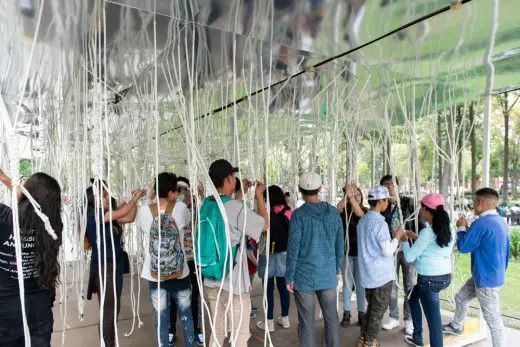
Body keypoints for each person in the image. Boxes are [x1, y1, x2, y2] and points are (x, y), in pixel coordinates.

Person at [202, 159, 268, 347]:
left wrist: (241, 194)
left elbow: (229, 212)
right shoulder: (235, 208)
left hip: (210, 277)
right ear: (229, 178)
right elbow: (264, 225)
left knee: (217, 329)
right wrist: (259, 197)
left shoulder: (207, 204)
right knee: (239, 332)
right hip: (233, 282)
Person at [0, 170, 62, 346]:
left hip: (6, 313)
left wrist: (7, 180)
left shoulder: (5, 219)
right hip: (39, 310)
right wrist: (5, 179)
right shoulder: (54, 227)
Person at [443, 188, 510, 347]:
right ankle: (456, 326)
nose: (472, 206)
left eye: (474, 202)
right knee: (461, 297)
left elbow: (464, 247)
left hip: (486, 280)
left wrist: (461, 227)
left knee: (493, 321)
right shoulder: (500, 221)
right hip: (488, 274)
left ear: (480, 203)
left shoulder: (481, 223)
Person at [285, 172, 344, 347]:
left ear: (300, 190)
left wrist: (289, 276)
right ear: (320, 189)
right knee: (332, 318)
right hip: (327, 274)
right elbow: (340, 245)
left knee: (307, 322)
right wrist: (336, 269)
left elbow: (293, 248)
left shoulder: (298, 215)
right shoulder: (333, 213)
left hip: (304, 276)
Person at [136, 172, 194, 347]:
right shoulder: (181, 208)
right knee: (186, 315)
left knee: (161, 318)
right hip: (180, 272)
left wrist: (149, 198)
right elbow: (189, 222)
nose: (178, 193)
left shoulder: (144, 211)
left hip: (155, 274)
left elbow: (140, 226)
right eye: (176, 190)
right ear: (170, 193)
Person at [84, 179, 143, 347]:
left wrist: (133, 202)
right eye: (104, 195)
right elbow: (123, 211)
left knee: (114, 307)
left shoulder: (108, 214)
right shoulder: (95, 215)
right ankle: (106, 343)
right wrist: (134, 200)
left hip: (115, 265)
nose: (108, 197)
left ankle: (110, 341)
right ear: (93, 199)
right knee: (108, 310)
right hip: (104, 267)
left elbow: (130, 216)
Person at [402, 194, 455, 347]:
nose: (420, 212)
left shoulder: (428, 232)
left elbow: (410, 257)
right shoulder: (448, 227)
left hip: (429, 280)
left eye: (422, 209)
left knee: (434, 323)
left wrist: (404, 240)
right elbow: (434, 245)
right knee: (412, 298)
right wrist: (416, 237)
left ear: (428, 210)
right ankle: (417, 336)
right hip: (444, 277)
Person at [357, 185, 407, 347]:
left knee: (371, 308)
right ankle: (370, 342)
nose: (387, 204)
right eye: (386, 201)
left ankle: (363, 337)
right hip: (381, 275)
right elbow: (387, 251)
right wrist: (397, 237)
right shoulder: (380, 223)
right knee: (377, 311)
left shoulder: (363, 220)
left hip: (367, 273)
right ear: (380, 202)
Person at [380, 175, 423, 336]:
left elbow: (418, 222)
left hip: (408, 248)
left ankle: (409, 319)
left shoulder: (408, 202)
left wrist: (418, 243)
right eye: (386, 185)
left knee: (410, 284)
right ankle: (393, 317)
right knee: (391, 283)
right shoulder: (382, 205)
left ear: (398, 185)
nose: (390, 187)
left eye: (392, 184)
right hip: (390, 248)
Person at [169, 177, 204, 346]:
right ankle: (171, 330)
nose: (180, 193)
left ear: (189, 190)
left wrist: (200, 195)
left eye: (182, 189)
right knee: (173, 295)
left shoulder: (197, 207)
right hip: (175, 258)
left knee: (195, 294)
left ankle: (197, 329)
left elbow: (204, 222)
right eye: (177, 190)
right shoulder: (170, 208)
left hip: (193, 257)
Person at [256, 185, 292, 332]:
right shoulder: (289, 211)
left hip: (268, 253)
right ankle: (285, 319)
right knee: (284, 288)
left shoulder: (266, 212)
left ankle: (269, 322)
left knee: (268, 289)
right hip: (284, 252)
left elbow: (261, 227)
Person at [337, 183, 367, 327]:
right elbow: (337, 208)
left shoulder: (365, 212)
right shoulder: (343, 213)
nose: (355, 197)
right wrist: (347, 196)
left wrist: (352, 197)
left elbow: (359, 214)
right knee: (347, 285)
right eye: (353, 196)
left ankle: (362, 313)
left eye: (358, 195)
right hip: (346, 253)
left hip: (361, 254)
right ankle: (347, 313)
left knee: (361, 285)